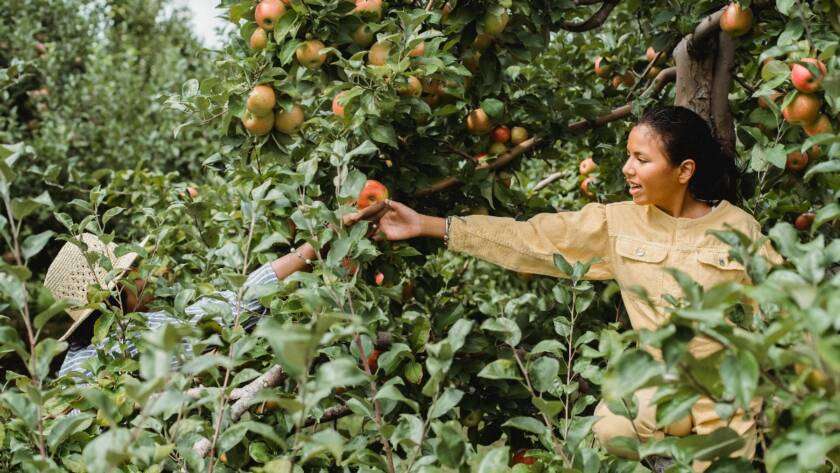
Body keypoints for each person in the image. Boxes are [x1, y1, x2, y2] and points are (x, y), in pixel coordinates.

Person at [366, 106, 782, 471]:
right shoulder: (617, 223)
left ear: (684, 171)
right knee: (605, 428)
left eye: (641, 159)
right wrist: (429, 225)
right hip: (656, 385)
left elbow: (780, 308)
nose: (627, 169)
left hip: (725, 396)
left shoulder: (738, 229)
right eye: (627, 157)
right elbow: (532, 238)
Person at [47, 203, 388, 378]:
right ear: (117, 291)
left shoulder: (70, 369)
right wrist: (313, 247)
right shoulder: (138, 337)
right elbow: (233, 307)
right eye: (134, 272)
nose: (145, 276)